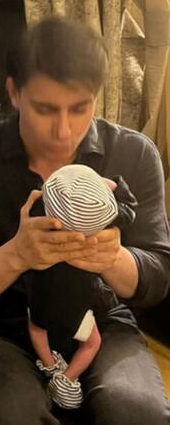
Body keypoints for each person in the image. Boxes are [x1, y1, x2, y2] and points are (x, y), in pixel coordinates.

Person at [0, 16, 170, 424]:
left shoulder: (134, 154)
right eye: (45, 109)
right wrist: (16, 255)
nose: (64, 131)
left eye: (80, 108)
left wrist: (111, 258)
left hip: (101, 320)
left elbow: (158, 275)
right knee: (14, 415)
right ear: (14, 93)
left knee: (136, 410)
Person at [27, 164, 137, 410]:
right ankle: (67, 379)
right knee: (91, 343)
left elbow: (40, 198)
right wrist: (113, 185)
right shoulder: (100, 230)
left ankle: (50, 365)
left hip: (42, 298)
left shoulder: (42, 218)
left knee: (36, 329)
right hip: (78, 307)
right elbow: (129, 211)